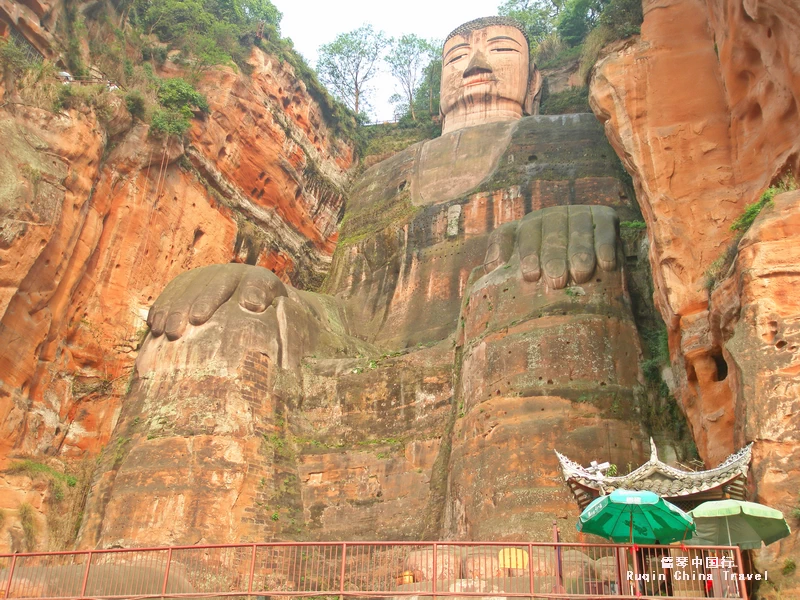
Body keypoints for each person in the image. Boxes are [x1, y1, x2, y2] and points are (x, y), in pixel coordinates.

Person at [79, 17, 646, 548]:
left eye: (501, 50)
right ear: (436, 93)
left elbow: (628, 241)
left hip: (488, 331)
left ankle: (524, 545)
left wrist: (570, 220)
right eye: (455, 57)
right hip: (358, 341)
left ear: (538, 84)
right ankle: (185, 548)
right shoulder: (380, 178)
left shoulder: (572, 136)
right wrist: (251, 279)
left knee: (555, 279)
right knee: (222, 318)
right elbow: (346, 300)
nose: (475, 62)